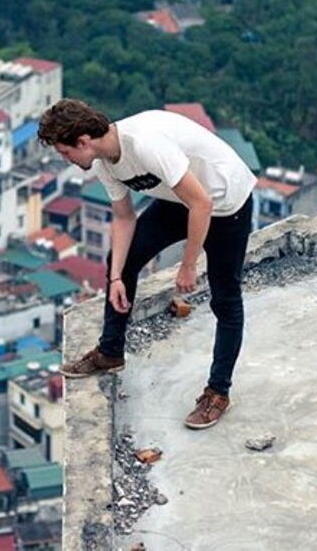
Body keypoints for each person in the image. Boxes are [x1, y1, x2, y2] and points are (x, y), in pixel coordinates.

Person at [37, 99, 256, 429]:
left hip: (224, 203)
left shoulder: (144, 144)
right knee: (121, 260)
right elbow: (124, 218)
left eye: (66, 153)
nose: (66, 160)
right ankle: (110, 351)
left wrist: (188, 264)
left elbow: (202, 202)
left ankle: (218, 393)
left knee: (225, 298)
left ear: (83, 140)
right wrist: (115, 279)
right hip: (179, 199)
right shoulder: (103, 161)